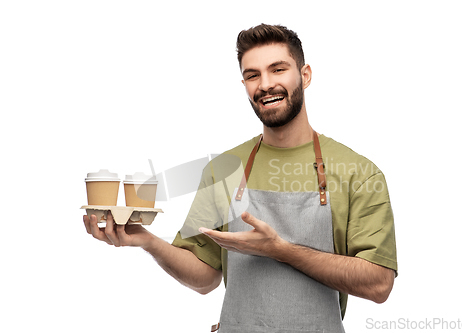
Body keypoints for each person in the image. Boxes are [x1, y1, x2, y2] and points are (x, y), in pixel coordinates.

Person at [84, 24, 397, 333]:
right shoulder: (223, 170)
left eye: (278, 69)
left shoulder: (358, 172)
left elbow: (379, 284)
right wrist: (147, 241)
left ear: (304, 75)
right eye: (252, 75)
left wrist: (280, 250)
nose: (265, 84)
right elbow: (205, 278)